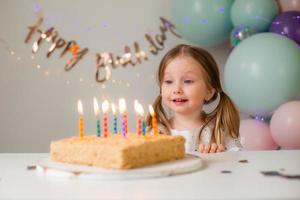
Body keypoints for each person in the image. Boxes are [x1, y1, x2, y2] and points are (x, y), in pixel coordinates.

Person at [146, 44, 242, 154]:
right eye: (168, 81)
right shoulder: (155, 134)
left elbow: (238, 161)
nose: (176, 89)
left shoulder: (220, 133)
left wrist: (220, 155)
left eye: (188, 81)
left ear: (209, 91)